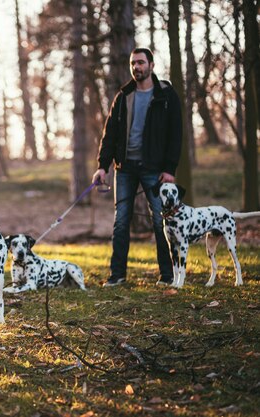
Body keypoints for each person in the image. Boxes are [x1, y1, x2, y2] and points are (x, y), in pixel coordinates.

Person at [92, 47, 182, 287]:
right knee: (121, 221)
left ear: (151, 65)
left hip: (155, 169)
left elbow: (176, 135)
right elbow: (109, 134)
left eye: (141, 63)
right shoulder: (123, 96)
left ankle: (167, 275)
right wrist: (102, 166)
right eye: (133, 64)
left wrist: (170, 169)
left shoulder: (166, 95)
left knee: (160, 221)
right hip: (125, 169)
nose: (136, 68)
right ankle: (117, 275)